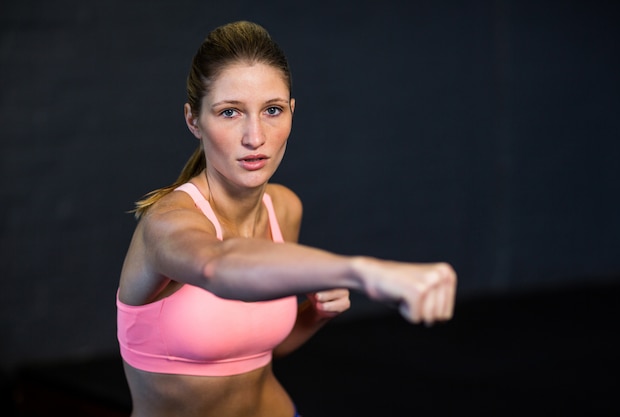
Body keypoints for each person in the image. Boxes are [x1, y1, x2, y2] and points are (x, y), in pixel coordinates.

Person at [116, 20, 457, 417]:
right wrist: (363, 271)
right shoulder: (167, 224)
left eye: (272, 110)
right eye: (230, 113)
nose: (255, 137)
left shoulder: (283, 208)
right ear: (194, 120)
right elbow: (219, 266)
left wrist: (315, 314)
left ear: (292, 112)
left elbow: (260, 347)